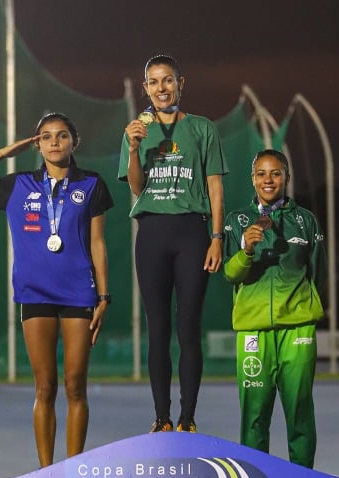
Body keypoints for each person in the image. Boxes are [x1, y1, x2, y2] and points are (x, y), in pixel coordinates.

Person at [0, 112, 113, 468]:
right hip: (35, 293)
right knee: (45, 388)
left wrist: (104, 296)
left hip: (78, 294)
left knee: (75, 386)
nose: (54, 142)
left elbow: (98, 243)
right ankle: (46, 475)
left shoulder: (91, 184)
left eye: (61, 136)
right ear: (36, 144)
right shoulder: (18, 184)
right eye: (45, 136)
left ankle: (72, 472)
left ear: (74, 141)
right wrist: (0, 155)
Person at [118, 54, 228, 434]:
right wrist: (133, 148)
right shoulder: (136, 130)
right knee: (158, 328)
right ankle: (162, 417)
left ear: (182, 83)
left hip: (192, 233)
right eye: (154, 82)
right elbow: (135, 187)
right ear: (145, 87)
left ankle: (188, 418)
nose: (161, 88)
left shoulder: (202, 128)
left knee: (188, 327)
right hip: (151, 232)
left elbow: (215, 187)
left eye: (168, 80)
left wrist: (217, 237)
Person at [222, 149, 326, 469]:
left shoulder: (305, 221)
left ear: (286, 178)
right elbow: (230, 273)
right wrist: (247, 250)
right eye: (262, 174)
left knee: (299, 411)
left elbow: (316, 272)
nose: (269, 180)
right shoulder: (237, 221)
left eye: (276, 173)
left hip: (297, 329)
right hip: (253, 332)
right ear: (252, 179)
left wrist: (302, 308)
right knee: (254, 417)